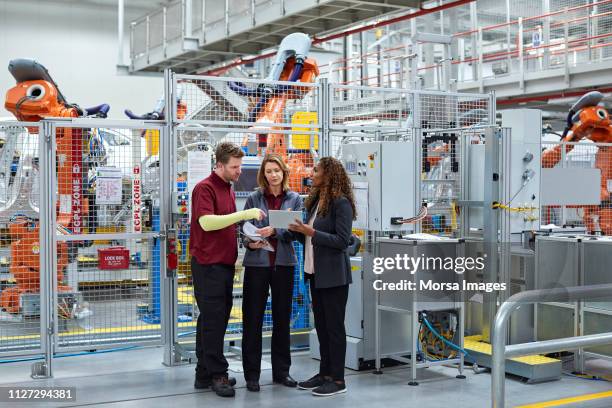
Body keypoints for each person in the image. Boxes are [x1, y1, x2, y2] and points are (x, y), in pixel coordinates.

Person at [189, 142, 265, 398]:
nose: (239, 171)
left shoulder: (228, 189)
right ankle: (218, 373)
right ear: (219, 165)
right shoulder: (205, 188)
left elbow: (226, 225)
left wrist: (250, 236)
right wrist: (243, 216)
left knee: (212, 318)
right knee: (215, 319)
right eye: (234, 167)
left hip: (223, 263)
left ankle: (203, 373)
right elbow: (207, 223)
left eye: (240, 166)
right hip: (208, 264)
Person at [288, 157, 356, 397]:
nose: (311, 172)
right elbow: (310, 240)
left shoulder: (341, 203)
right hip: (315, 273)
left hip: (334, 276)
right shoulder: (316, 201)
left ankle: (338, 380)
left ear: (328, 174)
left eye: (316, 169)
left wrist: (311, 231)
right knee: (322, 327)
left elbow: (341, 241)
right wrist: (297, 230)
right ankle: (324, 374)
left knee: (335, 329)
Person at [240, 154, 304, 392]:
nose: (273, 175)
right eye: (268, 171)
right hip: (257, 265)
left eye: (276, 170)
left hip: (283, 265)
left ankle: (281, 372)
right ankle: (252, 376)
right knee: (253, 320)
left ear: (283, 172)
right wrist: (250, 242)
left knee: (281, 320)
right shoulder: (253, 199)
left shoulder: (294, 199)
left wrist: (274, 231)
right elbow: (243, 231)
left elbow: (297, 231)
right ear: (263, 174)